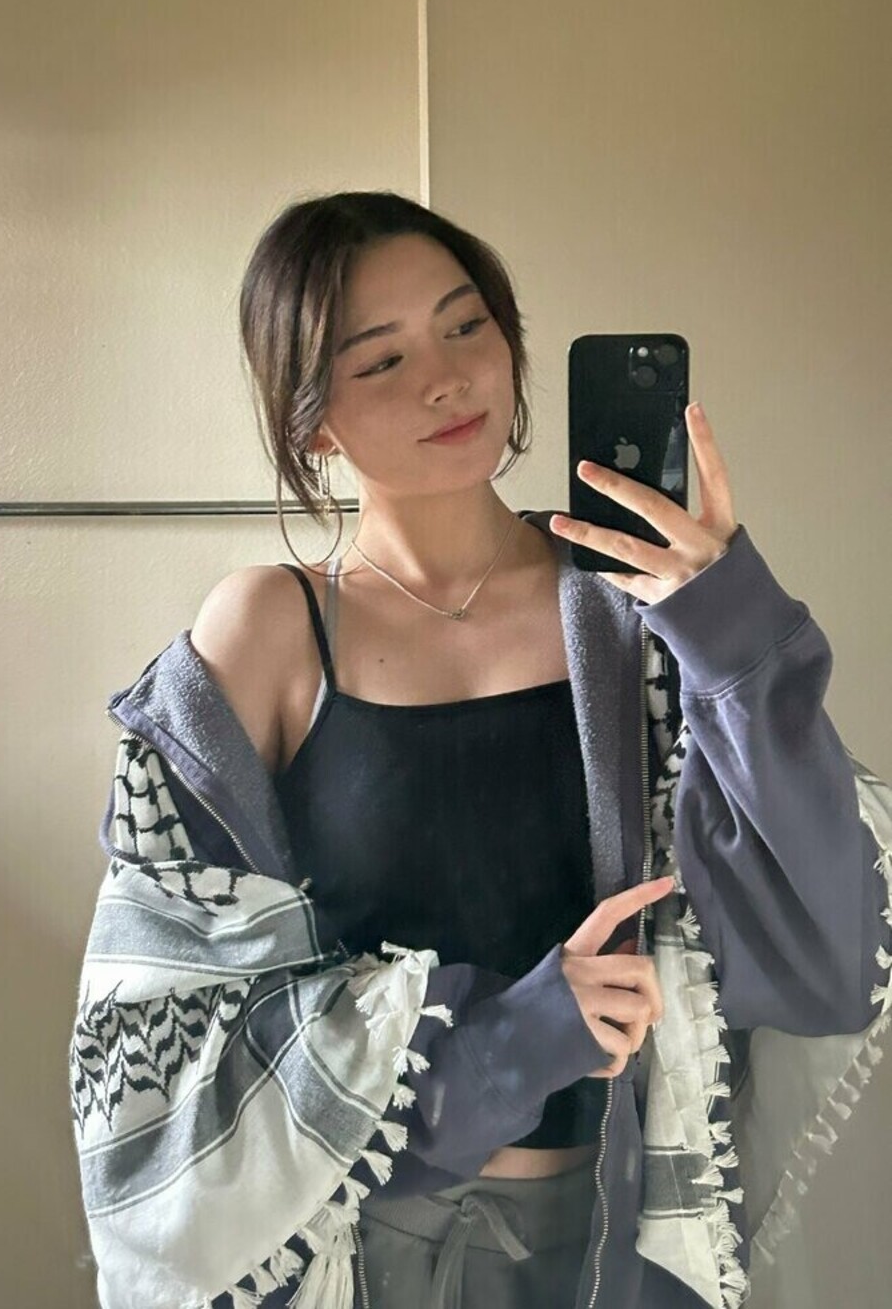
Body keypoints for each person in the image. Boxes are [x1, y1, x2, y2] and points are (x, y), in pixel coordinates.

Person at [70, 192, 892, 1309]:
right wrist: (510, 1041)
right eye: (382, 360)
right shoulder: (268, 631)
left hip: (613, 1248)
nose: (448, 379)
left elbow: (830, 943)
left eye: (467, 326)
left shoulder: (632, 606)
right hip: (356, 1258)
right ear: (312, 423)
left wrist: (733, 631)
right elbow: (161, 1038)